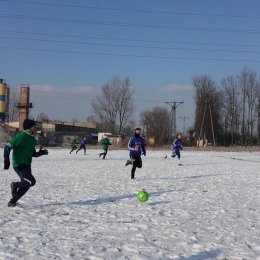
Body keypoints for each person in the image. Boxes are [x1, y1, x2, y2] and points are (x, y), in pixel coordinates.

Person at [3, 119, 49, 207]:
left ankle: (12, 201)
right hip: (19, 165)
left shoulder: (32, 139)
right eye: (33, 126)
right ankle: (15, 185)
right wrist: (6, 159)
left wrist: (39, 153)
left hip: (27, 165)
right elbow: (8, 147)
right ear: (29, 127)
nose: (35, 128)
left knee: (27, 184)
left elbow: (32, 154)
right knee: (31, 182)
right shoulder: (20, 137)